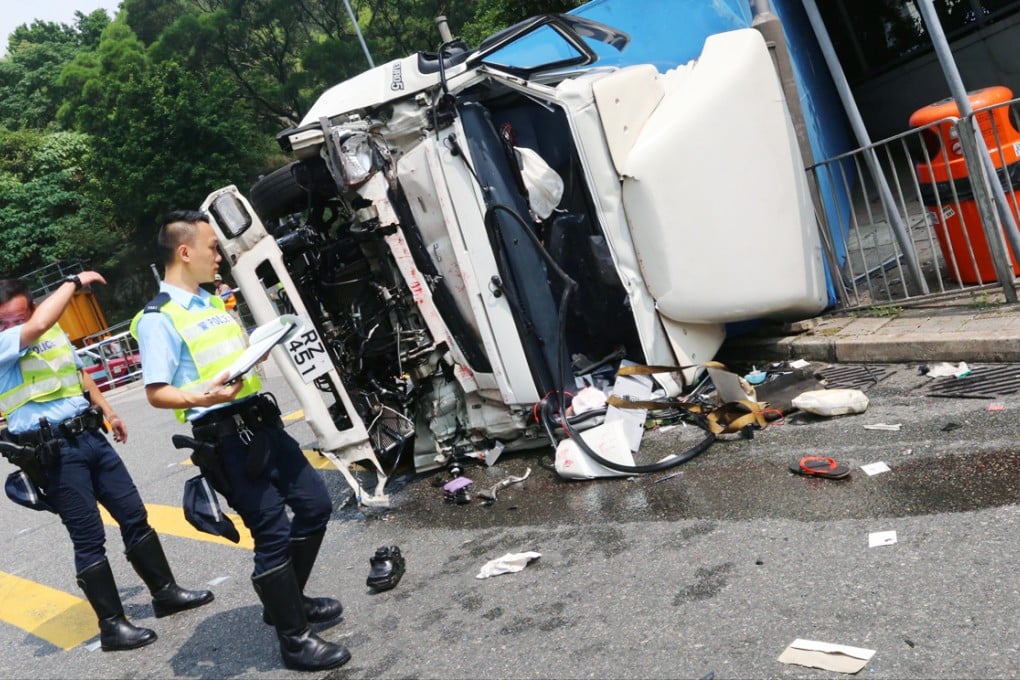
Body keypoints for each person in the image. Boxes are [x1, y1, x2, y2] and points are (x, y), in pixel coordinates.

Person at [130, 210, 349, 672]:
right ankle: (294, 640)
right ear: (184, 251)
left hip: (262, 423)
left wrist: (260, 348)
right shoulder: (157, 319)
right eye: (213, 248)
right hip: (226, 439)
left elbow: (233, 359)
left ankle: (285, 601)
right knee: (270, 531)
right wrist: (204, 394)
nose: (219, 258)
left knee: (314, 505)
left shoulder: (212, 304)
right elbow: (156, 392)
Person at [0, 274, 213, 652]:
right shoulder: (9, 341)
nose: (12, 327)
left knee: (133, 514)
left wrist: (109, 412)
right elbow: (39, 325)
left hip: (89, 437)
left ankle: (165, 593)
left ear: (31, 306)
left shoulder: (49, 331)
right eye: (5, 322)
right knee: (88, 537)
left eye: (18, 317)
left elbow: (79, 375)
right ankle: (113, 625)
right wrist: (72, 281)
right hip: (52, 452)